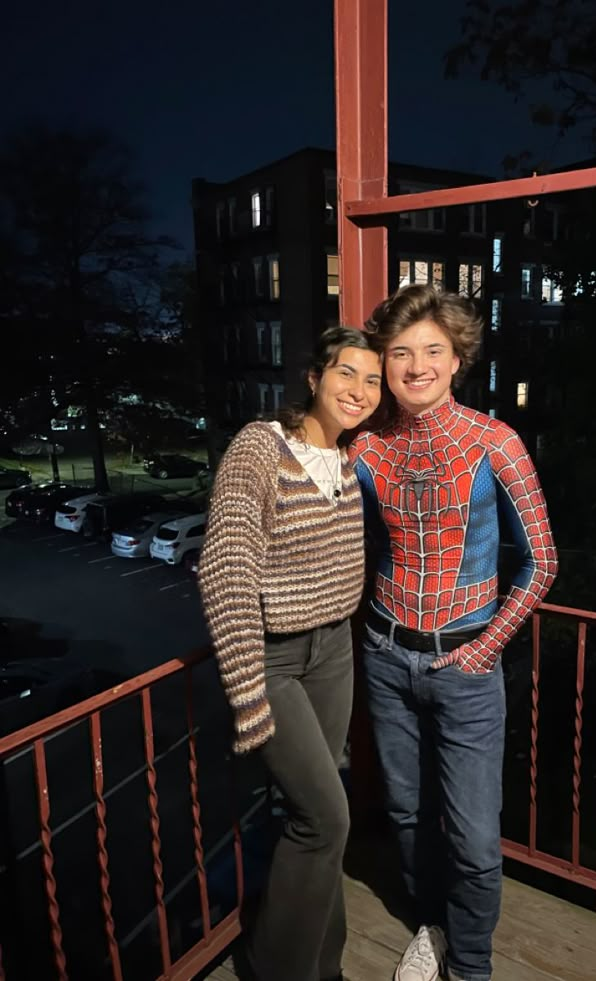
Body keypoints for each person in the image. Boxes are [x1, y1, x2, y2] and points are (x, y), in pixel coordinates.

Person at [350, 285, 558, 981]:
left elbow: (542, 561)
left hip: (467, 662)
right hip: (383, 653)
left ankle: (470, 968)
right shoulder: (368, 447)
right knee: (407, 813)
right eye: (401, 352)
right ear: (385, 360)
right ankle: (430, 928)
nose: (415, 366)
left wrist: (487, 646)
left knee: (472, 838)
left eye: (431, 350)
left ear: (456, 357)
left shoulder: (495, 442)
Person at [198, 326, 382, 981]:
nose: (359, 390)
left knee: (320, 810)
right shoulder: (261, 446)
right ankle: (278, 969)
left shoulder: (352, 459)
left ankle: (323, 965)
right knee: (325, 817)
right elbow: (225, 569)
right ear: (314, 377)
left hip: (334, 648)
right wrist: (247, 691)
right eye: (346, 373)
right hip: (275, 659)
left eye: (372, 379)